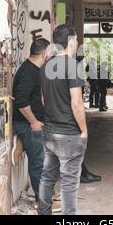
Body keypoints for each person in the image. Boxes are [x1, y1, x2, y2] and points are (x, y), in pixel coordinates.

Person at [38, 25, 88, 215]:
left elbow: (43, 98)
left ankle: (43, 212)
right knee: (69, 181)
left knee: (47, 176)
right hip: (69, 133)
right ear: (70, 41)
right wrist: (83, 130)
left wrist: (53, 115)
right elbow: (76, 103)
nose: (77, 43)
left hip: (50, 131)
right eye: (75, 40)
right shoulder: (72, 65)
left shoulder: (46, 65)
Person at [12, 38, 61, 213]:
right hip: (29, 125)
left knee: (46, 161)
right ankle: (43, 202)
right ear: (44, 54)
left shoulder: (36, 70)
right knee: (39, 163)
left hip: (38, 122)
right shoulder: (28, 72)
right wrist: (33, 122)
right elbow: (21, 100)